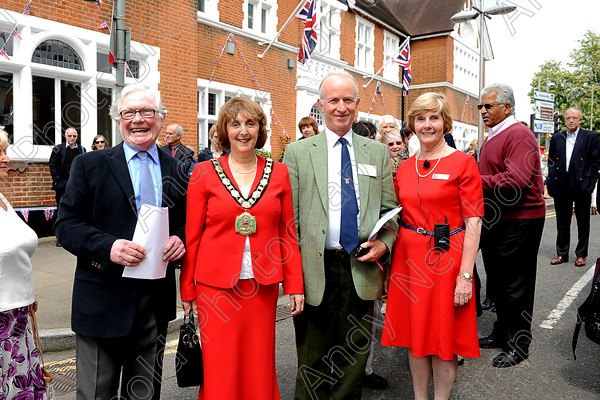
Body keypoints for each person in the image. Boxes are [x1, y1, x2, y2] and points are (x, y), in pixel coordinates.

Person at [55, 85, 187, 399]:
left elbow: (184, 224)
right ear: (118, 120)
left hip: (154, 303)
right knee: (96, 394)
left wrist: (180, 240)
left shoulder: (177, 170)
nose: (137, 119)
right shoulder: (89, 165)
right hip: (101, 299)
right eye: (129, 113)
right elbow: (66, 225)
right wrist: (108, 247)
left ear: (160, 118)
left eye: (147, 112)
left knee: (143, 395)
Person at [283, 71, 398, 399]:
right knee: (312, 359)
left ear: (358, 105)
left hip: (360, 265)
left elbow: (391, 211)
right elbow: (289, 222)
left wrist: (383, 243)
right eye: (333, 100)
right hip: (314, 270)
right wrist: (291, 279)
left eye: (348, 100)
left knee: (354, 359)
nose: (341, 107)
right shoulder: (298, 152)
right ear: (322, 104)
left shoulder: (376, 153)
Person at [180, 97, 304, 399]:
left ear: (260, 128)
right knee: (219, 367)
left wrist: (295, 284)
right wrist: (187, 290)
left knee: (259, 365)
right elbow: (192, 235)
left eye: (251, 123)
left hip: (261, 288)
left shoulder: (279, 173)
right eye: (235, 124)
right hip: (215, 288)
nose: (243, 131)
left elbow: (287, 233)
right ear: (225, 130)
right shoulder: (203, 173)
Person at [381, 93, 483, 399]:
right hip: (409, 261)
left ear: (445, 123)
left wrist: (465, 276)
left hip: (447, 261)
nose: (428, 125)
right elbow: (394, 217)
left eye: (434, 118)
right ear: (412, 124)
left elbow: (474, 222)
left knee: (442, 340)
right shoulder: (404, 167)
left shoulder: (463, 163)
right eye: (421, 118)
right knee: (416, 338)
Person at [477, 83, 545, 368]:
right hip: (498, 220)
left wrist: (473, 180)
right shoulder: (495, 135)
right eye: (481, 106)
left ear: (506, 107)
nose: (482, 111)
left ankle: (519, 344)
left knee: (516, 285)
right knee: (499, 283)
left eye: (488, 106)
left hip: (520, 220)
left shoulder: (519, 134)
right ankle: (501, 332)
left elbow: (515, 181)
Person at [0, 127, 47, 399]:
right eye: (0, 152)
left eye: (5, 151)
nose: (6, 158)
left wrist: (28, 293)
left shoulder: (4, 199)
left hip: (18, 315)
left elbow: (15, 251)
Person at [547, 107, 600, 267]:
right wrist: (551, 181)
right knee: (562, 222)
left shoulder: (590, 136)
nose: (571, 120)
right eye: (568, 118)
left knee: (583, 221)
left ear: (580, 120)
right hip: (561, 185)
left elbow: (596, 161)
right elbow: (551, 160)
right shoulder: (557, 137)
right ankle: (562, 253)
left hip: (582, 185)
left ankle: (581, 254)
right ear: (564, 121)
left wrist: (590, 181)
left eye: (574, 118)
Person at [49, 127, 86, 208]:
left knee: (76, 206)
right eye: (70, 136)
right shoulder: (58, 149)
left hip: (76, 183)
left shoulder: (82, 149)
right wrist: (56, 180)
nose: (72, 138)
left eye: (74, 136)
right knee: (61, 205)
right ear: (65, 136)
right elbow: (52, 165)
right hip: (62, 182)